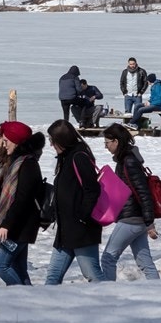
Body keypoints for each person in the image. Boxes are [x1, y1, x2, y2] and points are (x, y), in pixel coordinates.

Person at [0, 119, 46, 285]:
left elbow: (22, 199)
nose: (4, 144)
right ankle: (28, 300)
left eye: (6, 141)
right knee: (19, 268)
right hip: (17, 224)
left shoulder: (27, 164)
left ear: (16, 141)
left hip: (19, 226)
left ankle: (21, 295)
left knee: (1, 265)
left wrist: (6, 225)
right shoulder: (14, 161)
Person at [44, 121, 104, 284]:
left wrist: (82, 217)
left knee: (92, 274)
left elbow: (92, 189)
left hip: (81, 230)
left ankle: (112, 303)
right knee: (53, 276)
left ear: (62, 140)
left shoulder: (78, 157)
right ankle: (43, 307)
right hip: (66, 230)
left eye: (53, 140)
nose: (51, 145)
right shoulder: (67, 157)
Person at [99, 124, 159, 281]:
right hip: (136, 218)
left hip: (131, 219)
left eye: (107, 143)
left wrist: (149, 222)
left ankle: (107, 294)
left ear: (116, 141)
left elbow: (143, 192)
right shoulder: (126, 160)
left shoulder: (129, 162)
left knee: (108, 258)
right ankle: (160, 292)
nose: (105, 147)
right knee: (145, 262)